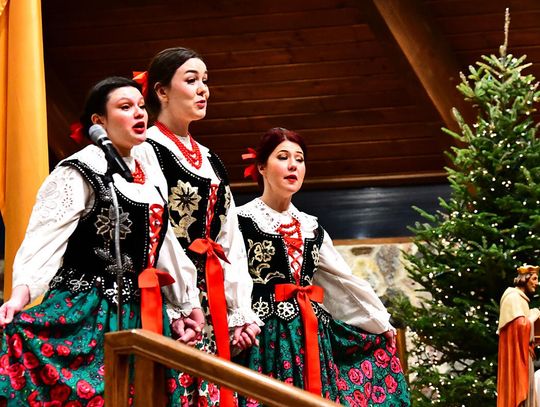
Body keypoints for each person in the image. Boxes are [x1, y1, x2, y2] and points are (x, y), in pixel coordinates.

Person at [0, 76, 202, 405]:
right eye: (125, 107)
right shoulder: (79, 170)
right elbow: (44, 239)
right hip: (88, 310)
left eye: (141, 106)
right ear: (99, 121)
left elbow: (164, 246)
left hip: (143, 312)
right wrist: (19, 296)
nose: (139, 113)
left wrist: (185, 304)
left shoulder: (149, 176)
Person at [235, 127, 410, 406]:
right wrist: (238, 320)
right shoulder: (240, 220)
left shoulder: (311, 227)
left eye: (299, 159)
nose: (293, 165)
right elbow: (230, 276)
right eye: (283, 157)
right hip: (265, 337)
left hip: (312, 336)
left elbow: (343, 281)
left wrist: (378, 322)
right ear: (261, 167)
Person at [137, 47, 262, 407]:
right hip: (166, 294)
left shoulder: (211, 159)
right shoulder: (146, 150)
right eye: (191, 80)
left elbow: (230, 239)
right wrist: (181, 301)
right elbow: (156, 229)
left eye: (205, 80)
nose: (203, 89)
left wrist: (239, 311)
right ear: (162, 91)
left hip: (211, 296)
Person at [497, 264, 540, 407]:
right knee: (522, 392)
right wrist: (533, 316)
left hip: (525, 354)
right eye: (534, 279)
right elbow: (519, 326)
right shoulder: (512, 297)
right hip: (517, 357)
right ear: (525, 279)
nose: (537, 283)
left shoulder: (521, 299)